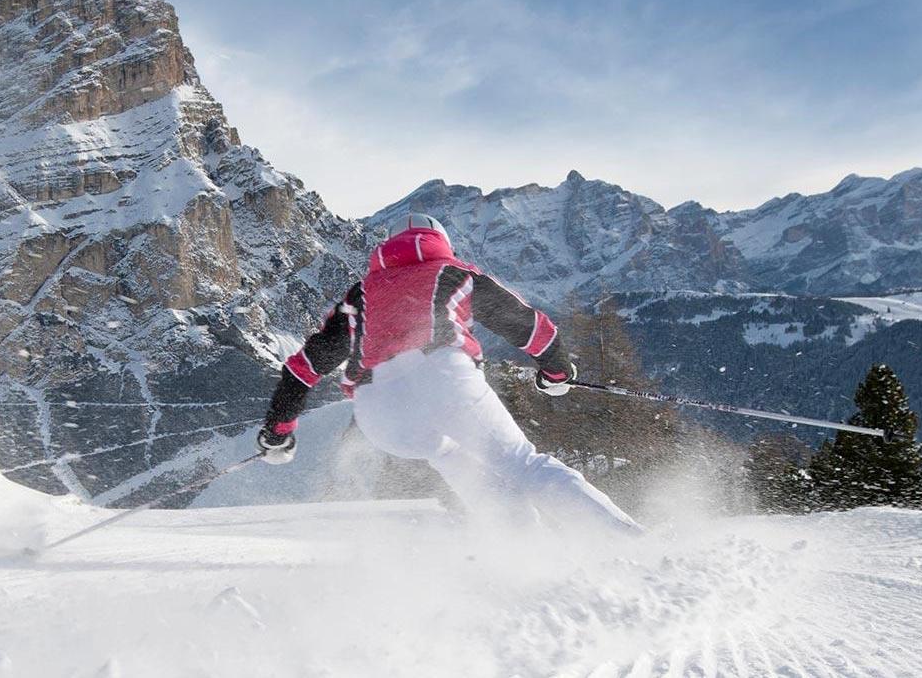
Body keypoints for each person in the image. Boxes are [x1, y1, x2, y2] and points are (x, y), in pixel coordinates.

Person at [255, 214, 643, 535]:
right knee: (522, 464)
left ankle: (530, 560)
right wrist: (557, 372)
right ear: (440, 240)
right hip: (441, 374)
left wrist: (279, 433)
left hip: (378, 411)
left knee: (456, 460)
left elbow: (301, 370)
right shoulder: (454, 273)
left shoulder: (360, 294)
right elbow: (529, 326)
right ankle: (628, 543)